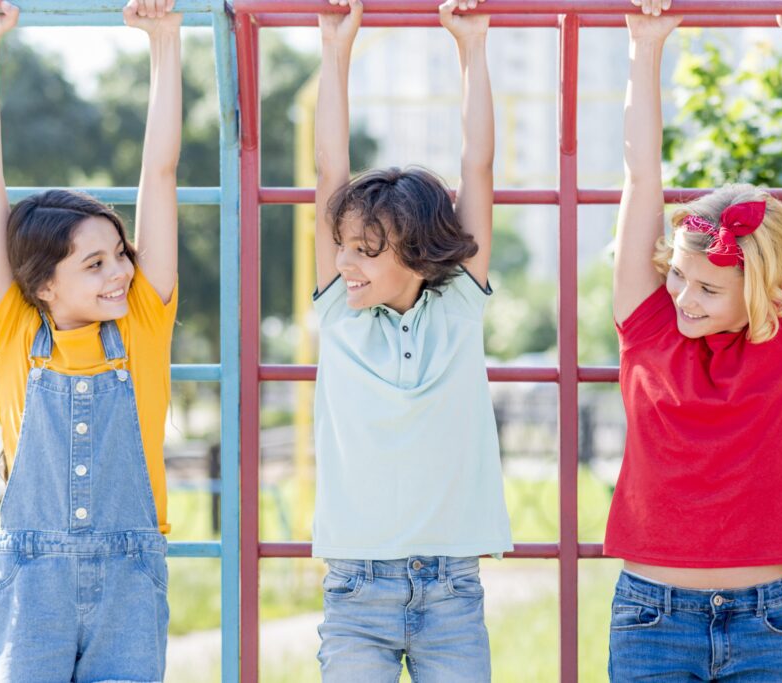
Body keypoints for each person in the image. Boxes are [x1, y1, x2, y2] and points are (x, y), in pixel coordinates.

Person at [606, 0, 782, 679]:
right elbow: (640, 179)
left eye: (707, 289)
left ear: (758, 290)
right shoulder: (646, 323)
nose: (682, 297)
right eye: (678, 276)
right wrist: (645, 50)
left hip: (764, 618)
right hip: (651, 617)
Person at [0, 0, 182, 679]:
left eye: (119, 253)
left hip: (129, 587)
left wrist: (164, 46)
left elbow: (162, 174)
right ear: (43, 284)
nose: (120, 271)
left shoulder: (142, 320)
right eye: (95, 264)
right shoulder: (13, 328)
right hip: (32, 591)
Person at [312, 0, 511, 679]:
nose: (346, 263)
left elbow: (477, 167)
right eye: (343, 246)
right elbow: (328, 169)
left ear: (420, 253)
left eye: (367, 250)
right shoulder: (340, 310)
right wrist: (335, 54)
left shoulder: (457, 304)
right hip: (355, 590)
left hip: (451, 589)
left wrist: (472, 49)